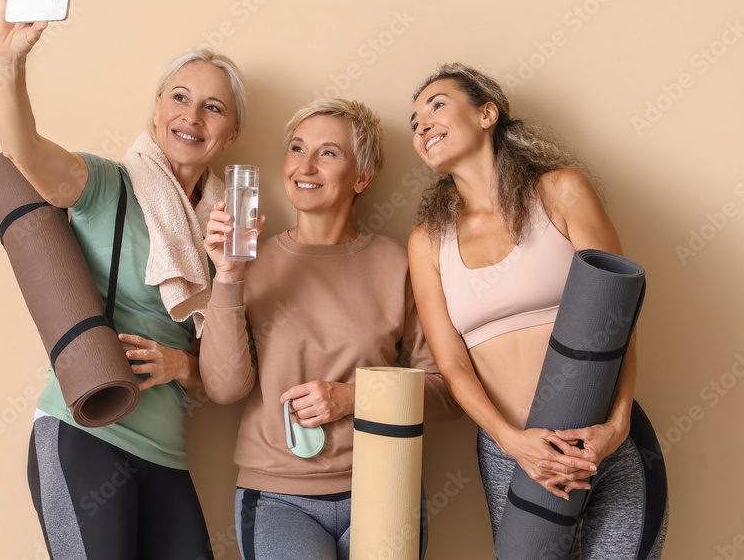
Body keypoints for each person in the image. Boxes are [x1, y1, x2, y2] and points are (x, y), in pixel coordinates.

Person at [0, 0, 248, 560]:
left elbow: (225, 373)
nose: (192, 115)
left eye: (214, 108)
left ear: (230, 133)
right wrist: (10, 65)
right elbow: (22, 152)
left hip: (167, 455)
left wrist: (183, 360)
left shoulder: (224, 232)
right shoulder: (109, 184)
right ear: (158, 110)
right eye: (179, 97)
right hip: (85, 433)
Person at [406, 62, 669, 558]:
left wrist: (614, 429)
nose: (422, 124)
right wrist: (511, 441)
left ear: (488, 113)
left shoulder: (561, 191)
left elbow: (622, 321)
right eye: (414, 121)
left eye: (436, 105)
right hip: (513, 453)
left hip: (605, 444)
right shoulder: (427, 243)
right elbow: (453, 365)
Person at [200, 98, 461, 560]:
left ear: (362, 176)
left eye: (328, 153)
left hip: (385, 480)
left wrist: (351, 399)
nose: (305, 165)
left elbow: (444, 393)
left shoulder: (397, 263)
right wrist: (227, 277)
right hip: (279, 494)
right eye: (297, 148)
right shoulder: (247, 260)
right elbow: (223, 388)